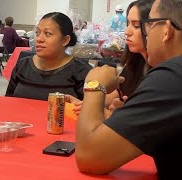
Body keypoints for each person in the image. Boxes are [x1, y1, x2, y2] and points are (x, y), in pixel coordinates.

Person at [75, 0, 182, 179]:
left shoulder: (172, 76)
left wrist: (94, 84)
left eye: (148, 24)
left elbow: (90, 157)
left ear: (167, 30)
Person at [5, 12, 92, 101]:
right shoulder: (23, 65)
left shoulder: (82, 72)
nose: (39, 39)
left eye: (48, 34)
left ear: (65, 40)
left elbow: (88, 111)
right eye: (37, 33)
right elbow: (8, 101)